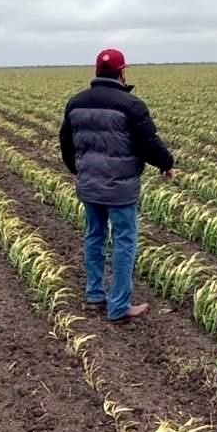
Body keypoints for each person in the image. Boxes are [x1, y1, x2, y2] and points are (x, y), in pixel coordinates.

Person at [59, 48, 174, 323]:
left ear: (96, 71)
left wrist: (79, 170)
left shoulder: (76, 103)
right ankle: (119, 306)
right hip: (121, 189)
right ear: (122, 72)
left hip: (89, 185)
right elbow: (148, 143)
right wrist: (166, 163)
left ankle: (94, 297)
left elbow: (66, 143)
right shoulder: (131, 105)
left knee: (94, 236)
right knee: (124, 241)